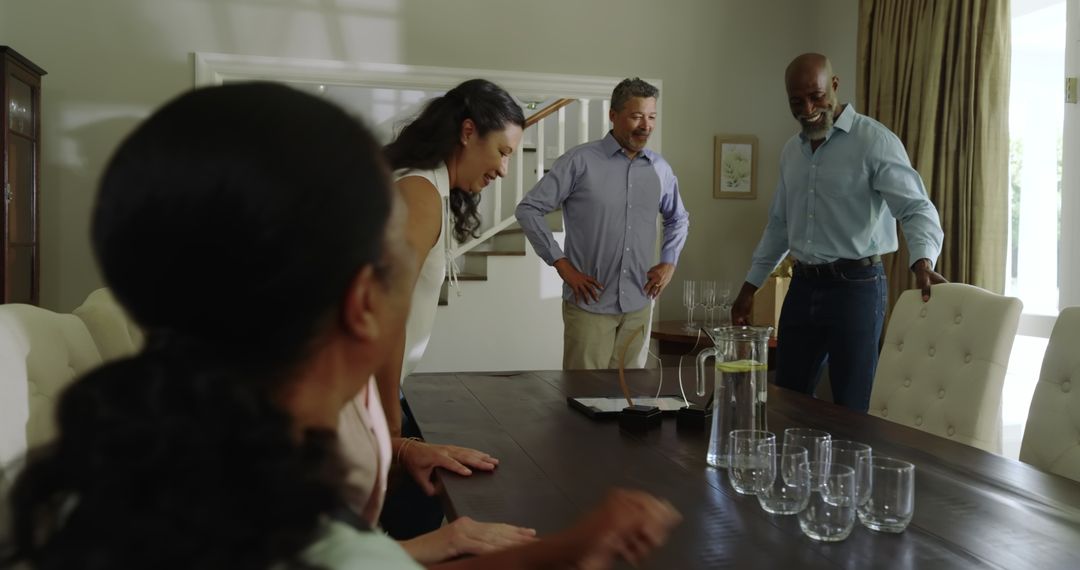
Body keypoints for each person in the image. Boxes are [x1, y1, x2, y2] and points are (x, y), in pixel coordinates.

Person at [0, 82, 680, 569]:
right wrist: (570, 548)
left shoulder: (96, 487)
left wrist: (416, 540)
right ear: (360, 302)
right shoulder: (295, 520)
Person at [731, 53, 946, 412]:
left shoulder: (874, 142)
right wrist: (749, 287)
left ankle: (852, 470)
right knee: (787, 398)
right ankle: (794, 469)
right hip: (803, 286)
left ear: (834, 84)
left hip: (857, 288)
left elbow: (915, 207)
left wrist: (923, 259)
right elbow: (779, 226)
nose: (808, 108)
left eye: (816, 96)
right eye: (796, 101)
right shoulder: (791, 152)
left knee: (851, 406)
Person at [372, 79, 527, 540]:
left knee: (421, 504)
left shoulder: (427, 188)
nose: (503, 169)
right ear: (466, 132)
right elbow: (386, 314)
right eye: (501, 151)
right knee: (416, 511)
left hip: (380, 386)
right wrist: (394, 434)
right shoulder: (418, 193)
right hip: (361, 392)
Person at [515, 78, 690, 370]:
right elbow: (528, 209)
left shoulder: (660, 169)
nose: (645, 125)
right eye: (636, 116)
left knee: (630, 401)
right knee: (582, 398)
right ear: (613, 115)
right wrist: (562, 264)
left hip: (639, 304)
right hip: (589, 307)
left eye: (651, 117)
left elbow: (678, 218)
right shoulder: (579, 161)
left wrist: (669, 262)